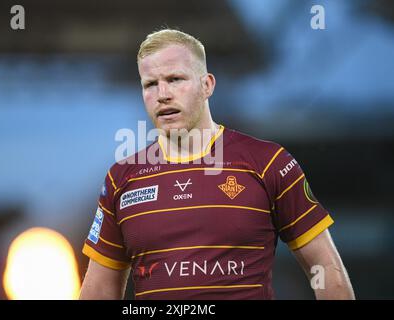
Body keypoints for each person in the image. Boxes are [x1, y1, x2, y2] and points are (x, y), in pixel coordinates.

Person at [79, 29, 355, 300]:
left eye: (175, 79)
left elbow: (326, 267)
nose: (163, 94)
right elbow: (100, 290)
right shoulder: (122, 178)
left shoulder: (268, 162)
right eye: (150, 84)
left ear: (207, 85)